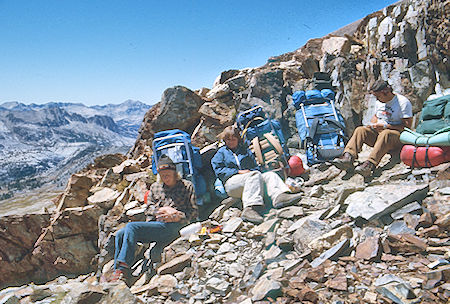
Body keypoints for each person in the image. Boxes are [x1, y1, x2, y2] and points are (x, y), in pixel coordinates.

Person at [111, 155, 198, 281]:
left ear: (175, 173)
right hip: (157, 225)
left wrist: (177, 216)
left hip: (175, 226)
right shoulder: (155, 187)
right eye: (162, 175)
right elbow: (149, 209)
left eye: (168, 174)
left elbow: (194, 212)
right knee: (120, 234)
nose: (165, 178)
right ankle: (118, 272)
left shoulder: (187, 186)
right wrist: (161, 210)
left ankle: (123, 267)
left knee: (131, 226)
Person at [211, 126, 302, 224]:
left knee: (270, 175)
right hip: (232, 184)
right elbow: (219, 170)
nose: (231, 142)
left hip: (251, 180)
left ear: (238, 139)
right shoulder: (221, 153)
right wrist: (238, 172)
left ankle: (280, 197)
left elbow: (255, 167)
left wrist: (253, 171)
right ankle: (250, 208)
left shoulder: (244, 151)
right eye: (228, 140)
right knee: (254, 175)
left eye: (233, 139)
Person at [334, 80, 413, 177]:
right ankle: (348, 157)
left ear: (386, 92)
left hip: (396, 137)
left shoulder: (402, 103)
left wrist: (385, 126)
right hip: (380, 135)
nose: (377, 99)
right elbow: (376, 116)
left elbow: (406, 127)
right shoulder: (379, 102)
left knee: (386, 133)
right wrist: (371, 125)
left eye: (378, 96)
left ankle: (370, 164)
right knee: (360, 130)